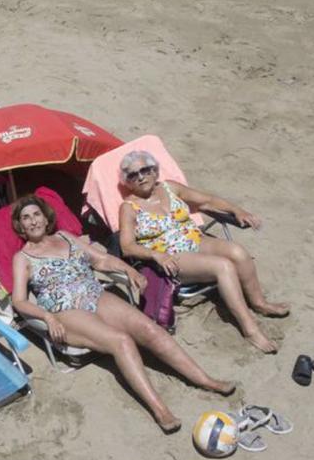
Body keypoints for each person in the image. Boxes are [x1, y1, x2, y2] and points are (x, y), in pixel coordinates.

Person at [10, 196, 235, 434]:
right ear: (20, 227)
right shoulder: (22, 258)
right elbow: (19, 301)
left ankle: (204, 380)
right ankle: (160, 410)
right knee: (121, 341)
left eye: (36, 215)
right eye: (26, 218)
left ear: (46, 219)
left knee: (150, 329)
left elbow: (101, 260)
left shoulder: (65, 236)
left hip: (95, 293)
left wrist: (130, 271)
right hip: (65, 310)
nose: (32, 221)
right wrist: (48, 317)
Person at [115, 150, 289, 353]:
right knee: (222, 267)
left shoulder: (171, 188)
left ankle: (259, 303)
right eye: (132, 174)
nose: (141, 177)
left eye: (145, 170)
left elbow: (207, 201)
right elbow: (127, 246)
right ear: (127, 182)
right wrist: (155, 254)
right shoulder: (129, 208)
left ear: (155, 171)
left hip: (195, 239)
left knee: (237, 252)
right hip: (170, 255)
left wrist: (237, 210)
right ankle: (250, 329)